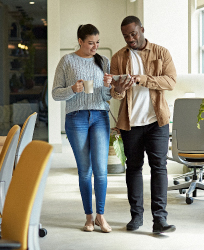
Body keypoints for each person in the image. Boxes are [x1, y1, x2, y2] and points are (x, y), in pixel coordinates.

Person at [110, 16, 177, 234]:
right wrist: (119, 88)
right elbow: (116, 95)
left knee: (159, 167)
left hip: (157, 120)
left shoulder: (161, 52)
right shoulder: (118, 57)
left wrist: (141, 79)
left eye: (133, 34)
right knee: (133, 168)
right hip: (131, 122)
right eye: (126, 36)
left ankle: (160, 219)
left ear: (142, 30)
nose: (130, 39)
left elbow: (171, 81)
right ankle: (136, 216)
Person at [52, 24, 113, 233]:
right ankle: (88, 217)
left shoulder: (103, 61)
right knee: (85, 171)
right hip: (76, 118)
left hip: (100, 116)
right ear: (80, 41)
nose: (95, 46)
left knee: (101, 170)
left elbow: (107, 98)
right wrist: (72, 89)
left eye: (97, 42)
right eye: (90, 43)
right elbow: (55, 93)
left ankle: (101, 216)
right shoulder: (67, 61)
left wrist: (107, 87)